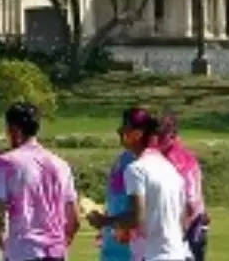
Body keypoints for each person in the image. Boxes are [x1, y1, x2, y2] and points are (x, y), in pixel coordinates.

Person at [87, 108, 187, 261]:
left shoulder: (136, 169)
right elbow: (181, 218)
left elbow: (136, 217)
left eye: (124, 129)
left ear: (137, 134)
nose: (119, 131)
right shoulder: (169, 168)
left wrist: (104, 221)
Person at [0, 102, 79, 261]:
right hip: (55, 251)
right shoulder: (61, 165)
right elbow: (74, 219)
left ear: (14, 129)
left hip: (23, 249)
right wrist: (63, 244)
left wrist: (1, 240)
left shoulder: (5, 163)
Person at [158, 114, 208, 261]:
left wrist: (177, 230)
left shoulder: (179, 159)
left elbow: (191, 201)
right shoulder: (166, 157)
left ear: (171, 135)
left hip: (186, 230)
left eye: (160, 136)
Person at [95, 120, 136, 261]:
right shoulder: (122, 159)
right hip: (112, 242)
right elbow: (114, 195)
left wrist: (125, 229)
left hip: (130, 245)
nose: (122, 136)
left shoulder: (142, 163)